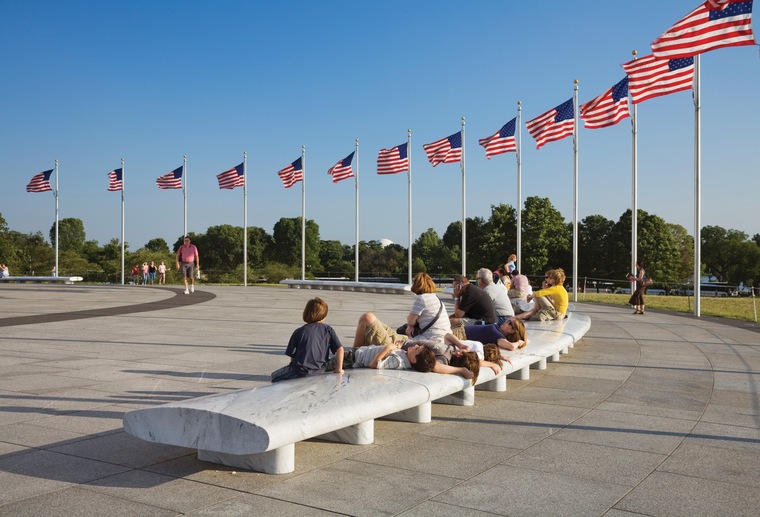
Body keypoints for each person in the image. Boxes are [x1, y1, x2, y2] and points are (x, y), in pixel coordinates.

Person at [351, 312, 475, 380]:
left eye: (461, 355)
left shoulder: (443, 359)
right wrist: (460, 344)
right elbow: (447, 335)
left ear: (457, 360)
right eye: (462, 352)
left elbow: (436, 367)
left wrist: (461, 370)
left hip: (395, 345)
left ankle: (353, 353)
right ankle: (356, 352)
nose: (460, 352)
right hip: (402, 339)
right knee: (367, 319)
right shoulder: (452, 349)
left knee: (366, 318)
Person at [271, 297, 344, 382]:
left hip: (300, 371)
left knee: (274, 376)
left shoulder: (299, 332)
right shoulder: (328, 330)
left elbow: (292, 356)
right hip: (319, 371)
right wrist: (338, 369)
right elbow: (340, 349)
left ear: (306, 313)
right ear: (324, 315)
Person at [403, 272, 452, 340]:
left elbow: (410, 321)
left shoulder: (421, 298)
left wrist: (410, 326)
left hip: (432, 336)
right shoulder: (436, 298)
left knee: (402, 338)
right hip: (446, 336)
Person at [455, 317, 528, 351]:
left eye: (509, 323)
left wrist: (518, 342)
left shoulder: (497, 334)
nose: (506, 321)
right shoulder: (497, 330)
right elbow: (526, 340)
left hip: (460, 335)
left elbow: (511, 346)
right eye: (508, 320)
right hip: (459, 332)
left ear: (512, 331)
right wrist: (522, 342)